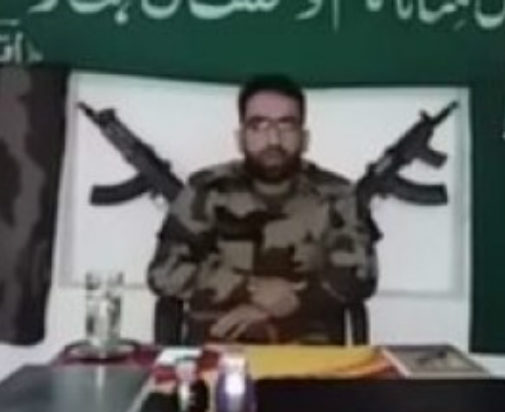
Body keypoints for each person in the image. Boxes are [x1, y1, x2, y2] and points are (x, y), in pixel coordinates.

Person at [147, 74, 378, 344]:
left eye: (286, 125)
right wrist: (251, 288)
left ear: (304, 138)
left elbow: (360, 276)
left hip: (308, 350)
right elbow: (164, 271)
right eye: (258, 125)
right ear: (240, 137)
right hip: (218, 344)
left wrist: (280, 305)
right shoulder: (207, 189)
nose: (273, 139)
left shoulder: (336, 193)